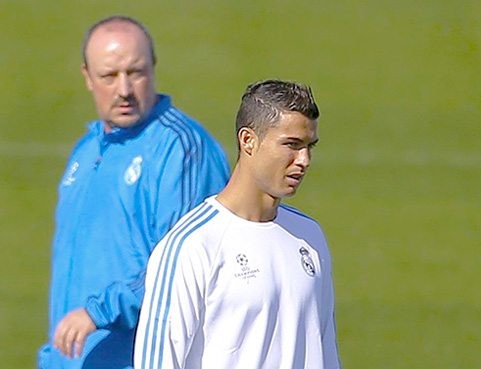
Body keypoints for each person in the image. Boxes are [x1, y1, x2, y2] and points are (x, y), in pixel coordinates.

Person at [38, 16, 230, 369]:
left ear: (154, 67)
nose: (124, 90)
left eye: (136, 72)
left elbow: (182, 268)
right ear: (87, 76)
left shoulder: (181, 149)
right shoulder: (87, 150)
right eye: (109, 76)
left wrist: (99, 312)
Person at [134, 80, 341, 369]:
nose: (304, 160)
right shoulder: (192, 246)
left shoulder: (310, 237)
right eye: (292, 145)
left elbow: (325, 351)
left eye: (309, 147)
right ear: (248, 140)